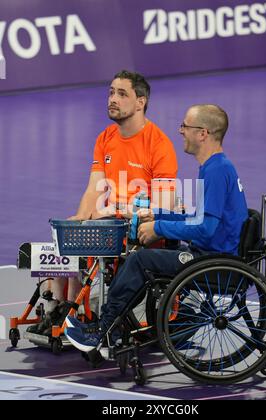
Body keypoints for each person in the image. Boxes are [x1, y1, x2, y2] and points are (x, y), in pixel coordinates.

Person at [65, 103, 249, 354]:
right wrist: (156, 214)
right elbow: (197, 218)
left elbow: (205, 229)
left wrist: (159, 228)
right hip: (213, 255)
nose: (181, 131)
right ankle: (135, 326)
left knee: (141, 260)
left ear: (203, 133)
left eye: (185, 126)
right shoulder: (214, 166)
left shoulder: (216, 171)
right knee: (151, 253)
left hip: (213, 262)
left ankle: (104, 331)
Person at [29, 70, 178, 335]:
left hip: (137, 225)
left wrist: (116, 212)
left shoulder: (159, 144)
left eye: (122, 94)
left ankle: (72, 311)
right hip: (108, 221)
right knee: (66, 234)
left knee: (83, 239)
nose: (113, 99)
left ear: (140, 102)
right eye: (111, 92)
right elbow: (93, 188)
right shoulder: (106, 138)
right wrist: (80, 217)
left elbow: (163, 205)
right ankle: (58, 309)